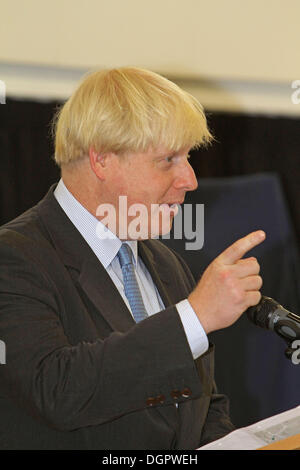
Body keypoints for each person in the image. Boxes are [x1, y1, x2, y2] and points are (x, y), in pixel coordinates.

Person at [0, 67, 265, 450]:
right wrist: (195, 316)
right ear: (102, 160)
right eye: (169, 159)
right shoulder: (14, 258)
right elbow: (56, 390)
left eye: (187, 157)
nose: (190, 179)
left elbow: (199, 406)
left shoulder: (166, 264)